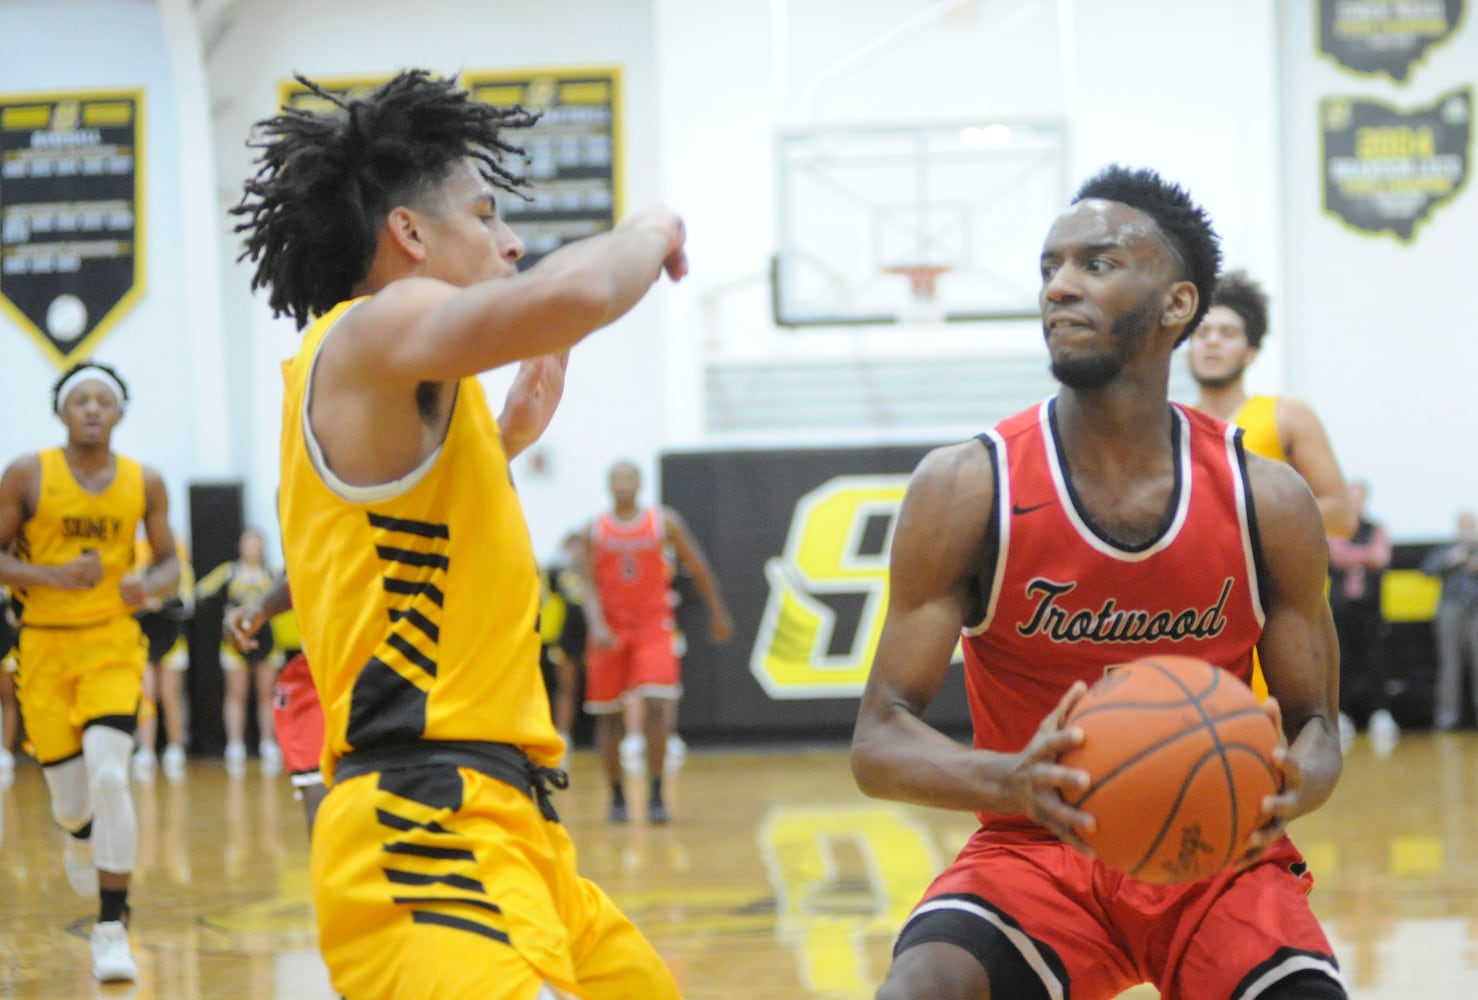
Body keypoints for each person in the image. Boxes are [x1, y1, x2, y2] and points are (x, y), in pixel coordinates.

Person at [232, 69, 689, 998]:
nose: (509, 239)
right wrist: (651, 229)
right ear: (409, 232)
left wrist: (507, 439)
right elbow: (584, 290)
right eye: (485, 215)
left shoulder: (390, 384)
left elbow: (389, 551)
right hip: (424, 829)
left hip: (505, 824)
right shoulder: (377, 323)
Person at [851, 166, 1347, 1000]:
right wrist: (1009, 781)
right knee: (920, 990)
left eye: (1097, 263)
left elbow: (1320, 727)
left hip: (1214, 848)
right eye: (1050, 267)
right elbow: (879, 738)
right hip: (1034, 850)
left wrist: (1296, 781)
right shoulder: (968, 487)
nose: (1060, 288)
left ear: (1178, 304)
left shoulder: (1269, 500)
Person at [0, 361, 181, 983]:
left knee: (111, 774)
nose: (94, 409)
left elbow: (169, 567)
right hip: (45, 648)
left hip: (111, 645)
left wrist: (145, 588)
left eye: (105, 399)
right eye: (82, 400)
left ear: (121, 411)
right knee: (74, 803)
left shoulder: (145, 481)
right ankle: (77, 834)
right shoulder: (27, 473)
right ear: (61, 411)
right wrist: (52, 578)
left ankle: (112, 929)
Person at [1187, 268, 1354, 702]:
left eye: (1227, 332)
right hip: (1198, 615)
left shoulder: (1287, 415)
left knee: (1278, 748)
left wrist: (1246, 523)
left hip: (1278, 612)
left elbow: (1342, 513)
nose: (1212, 341)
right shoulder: (1171, 426)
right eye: (1202, 332)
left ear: (1251, 352)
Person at [577, 459, 734, 825]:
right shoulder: (593, 530)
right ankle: (616, 794)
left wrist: (718, 613)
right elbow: (586, 584)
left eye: (628, 477)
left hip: (653, 628)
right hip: (611, 631)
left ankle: (657, 791)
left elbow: (698, 565)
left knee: (657, 709)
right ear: (607, 485)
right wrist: (597, 623)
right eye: (616, 478)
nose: (622, 483)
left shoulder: (664, 522)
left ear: (640, 483)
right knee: (608, 718)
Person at [224, 576, 326, 832]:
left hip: (392, 660)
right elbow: (297, 567)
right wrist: (258, 608)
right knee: (320, 799)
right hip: (321, 669)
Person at [194, 526, 283, 776]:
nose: (252, 548)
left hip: (267, 642)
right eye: (248, 542)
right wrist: (226, 614)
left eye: (257, 543)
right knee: (236, 694)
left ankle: (268, 743)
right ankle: (235, 745)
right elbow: (200, 591)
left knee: (267, 694)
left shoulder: (272, 573)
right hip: (234, 643)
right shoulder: (230, 571)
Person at [1327, 480, 1396, 748]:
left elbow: (1381, 557)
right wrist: (1364, 555)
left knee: (1376, 659)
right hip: (1342, 608)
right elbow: (1336, 556)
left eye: (1358, 497)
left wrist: (1354, 554)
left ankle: (1380, 713)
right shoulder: (1335, 527)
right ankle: (1341, 714)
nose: (1354, 502)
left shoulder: (1376, 528)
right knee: (1342, 660)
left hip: (1370, 609)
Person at [132, 535, 194, 782]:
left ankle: (175, 748)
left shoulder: (180, 568)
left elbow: (187, 606)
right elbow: (125, 603)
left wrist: (161, 604)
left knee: (170, 696)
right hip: (143, 640)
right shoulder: (136, 565)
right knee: (147, 695)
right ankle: (146, 750)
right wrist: (142, 605)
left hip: (172, 639)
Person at [1420, 511, 1478, 731]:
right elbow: (1427, 570)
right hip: (1450, 610)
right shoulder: (1448, 549)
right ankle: (1447, 718)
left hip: (1476, 610)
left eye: (1471, 526)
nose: (1467, 530)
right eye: (1464, 526)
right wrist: (1451, 559)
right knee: (1450, 664)